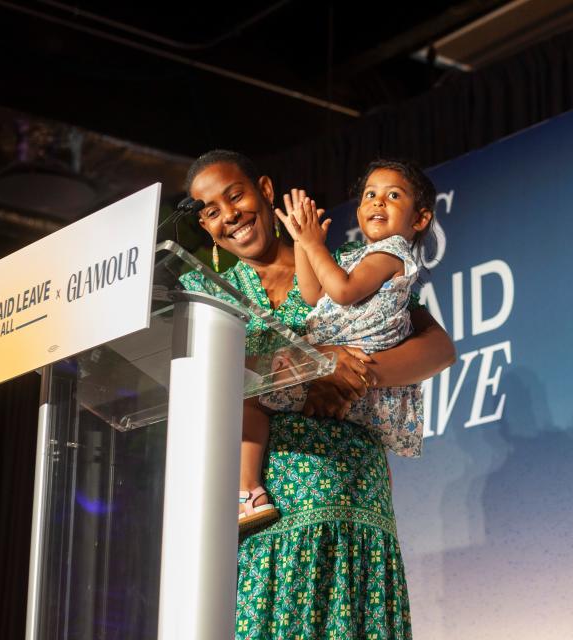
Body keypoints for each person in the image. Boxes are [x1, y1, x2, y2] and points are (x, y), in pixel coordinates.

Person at [178, 149, 455, 639]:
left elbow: (437, 349)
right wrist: (313, 365)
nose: (230, 217)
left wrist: (355, 374)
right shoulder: (204, 293)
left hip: (352, 500)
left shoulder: (347, 266)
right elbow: (198, 376)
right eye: (212, 211)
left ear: (265, 190)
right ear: (204, 225)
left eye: (236, 195)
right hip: (262, 516)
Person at [236, 159, 435, 531]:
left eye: (393, 195)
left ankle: (247, 492)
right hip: (346, 383)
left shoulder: (390, 253)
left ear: (420, 219)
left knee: (250, 392)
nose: (378, 202)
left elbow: (342, 292)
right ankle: (247, 492)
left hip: (357, 377)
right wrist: (303, 243)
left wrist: (313, 244)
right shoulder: (361, 256)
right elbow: (313, 295)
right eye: (370, 195)